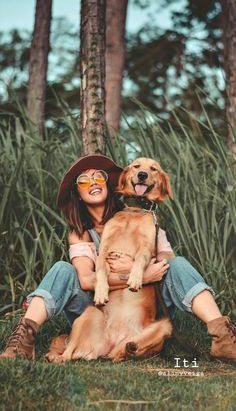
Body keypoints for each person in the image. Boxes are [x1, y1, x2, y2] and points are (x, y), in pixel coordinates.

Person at [0, 154, 235, 361]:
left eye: (99, 177)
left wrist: (139, 267)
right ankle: (23, 338)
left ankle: (223, 336)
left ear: (110, 183)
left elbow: (168, 264)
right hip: (99, 309)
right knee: (62, 269)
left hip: (144, 308)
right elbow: (85, 280)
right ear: (78, 193)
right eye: (84, 180)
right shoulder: (80, 230)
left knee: (179, 264)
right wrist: (138, 275)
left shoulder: (142, 217)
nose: (92, 182)